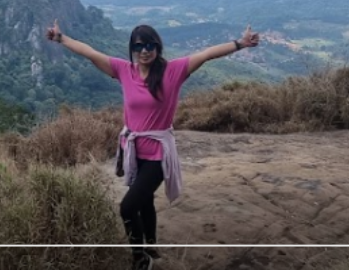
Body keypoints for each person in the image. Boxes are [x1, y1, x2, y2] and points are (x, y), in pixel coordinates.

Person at [46, 20, 260, 270]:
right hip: (134, 151)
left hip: (159, 155)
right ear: (133, 49)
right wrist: (61, 39)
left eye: (149, 45)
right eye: (138, 47)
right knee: (144, 201)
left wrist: (240, 44)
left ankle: (140, 258)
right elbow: (91, 52)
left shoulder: (173, 71)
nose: (144, 51)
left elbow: (206, 54)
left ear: (157, 46)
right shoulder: (125, 71)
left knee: (127, 208)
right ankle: (151, 245)